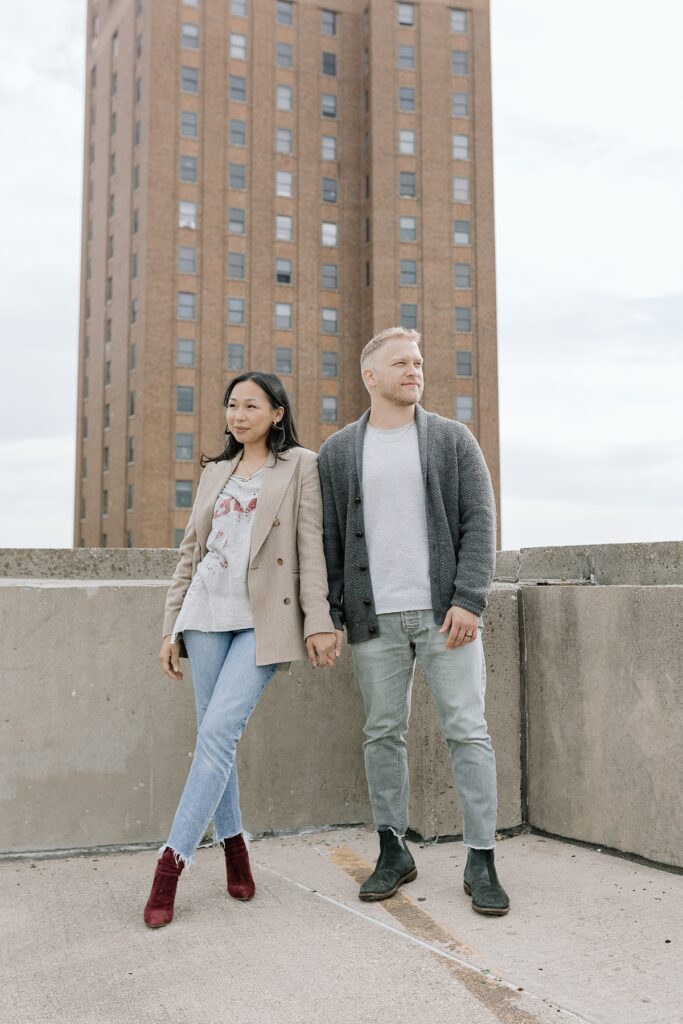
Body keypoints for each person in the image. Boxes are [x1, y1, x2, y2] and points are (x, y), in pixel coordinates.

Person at [318, 327, 509, 916]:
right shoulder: (339, 452)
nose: (414, 370)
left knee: (468, 731)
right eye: (400, 363)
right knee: (381, 733)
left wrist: (470, 599)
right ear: (369, 376)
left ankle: (481, 858)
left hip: (444, 615)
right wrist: (328, 614)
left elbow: (480, 521)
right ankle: (393, 849)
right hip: (373, 619)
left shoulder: (453, 439)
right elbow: (327, 540)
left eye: (418, 362)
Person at [144, 371, 337, 928]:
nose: (238, 415)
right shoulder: (214, 471)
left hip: (263, 621)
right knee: (214, 736)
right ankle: (233, 845)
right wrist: (169, 626)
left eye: (251, 405)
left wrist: (319, 620)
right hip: (205, 614)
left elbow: (311, 549)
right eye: (232, 405)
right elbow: (190, 554)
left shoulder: (302, 465)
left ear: (277, 413)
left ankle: (170, 863)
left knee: (218, 731)